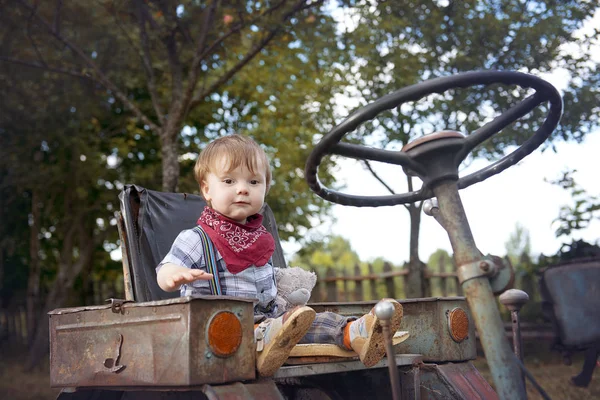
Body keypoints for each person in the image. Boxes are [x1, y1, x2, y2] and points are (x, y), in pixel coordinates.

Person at [156, 134, 403, 377]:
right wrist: (174, 275)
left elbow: (263, 280)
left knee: (307, 320)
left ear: (265, 188)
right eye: (229, 181)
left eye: (253, 182)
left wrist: (285, 291)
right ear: (207, 190)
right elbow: (165, 269)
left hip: (270, 319)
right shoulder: (197, 238)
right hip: (221, 330)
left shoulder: (259, 238)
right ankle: (266, 344)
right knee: (277, 327)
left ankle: (356, 333)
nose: (242, 189)